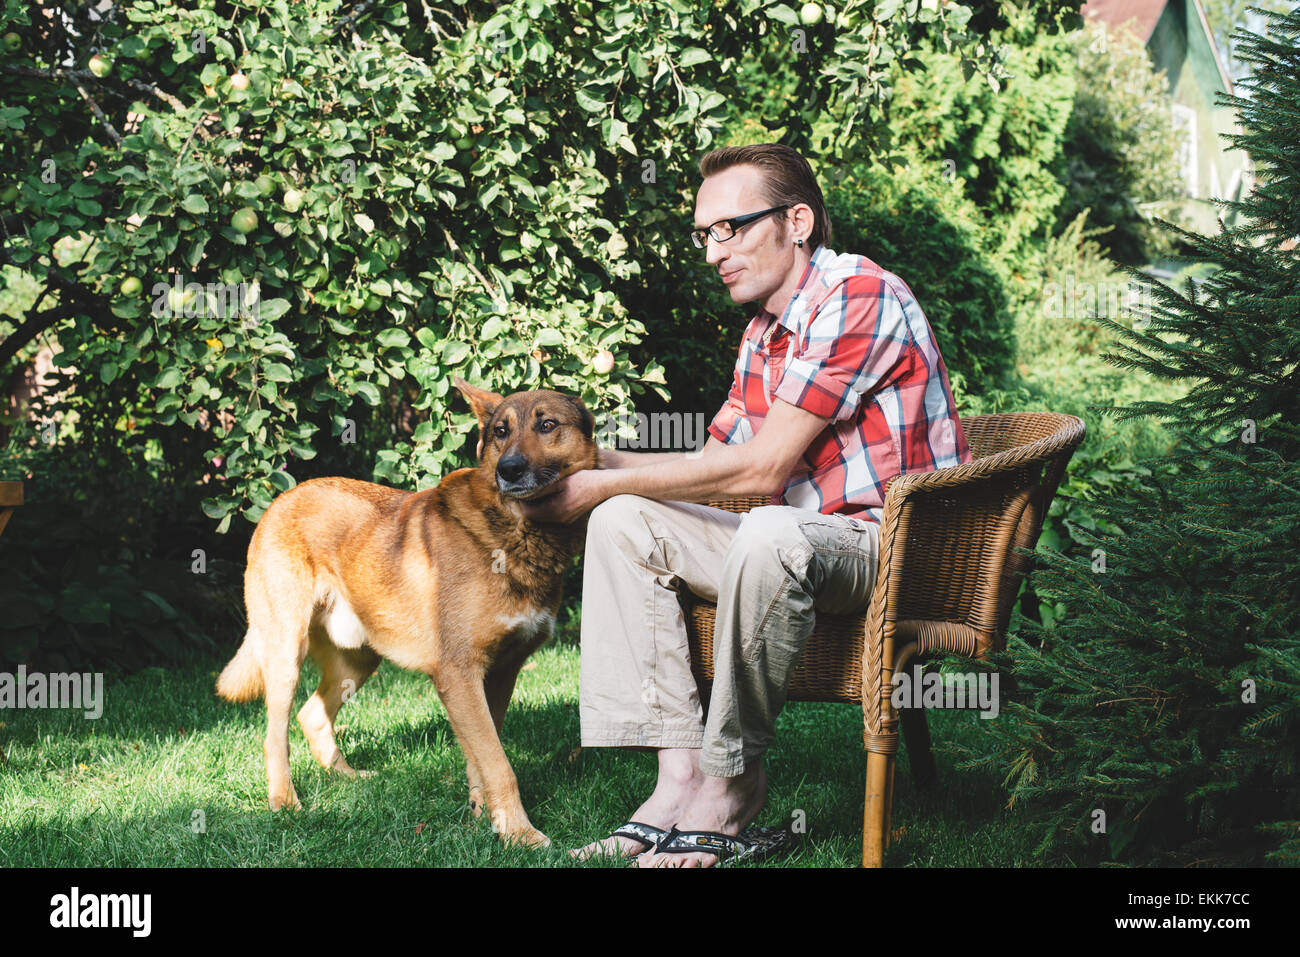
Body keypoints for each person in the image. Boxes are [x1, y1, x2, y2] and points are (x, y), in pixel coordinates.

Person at [521, 143, 972, 867]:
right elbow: (713, 468)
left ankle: (733, 785)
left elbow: (764, 465)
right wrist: (583, 467)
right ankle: (680, 779)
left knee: (761, 531)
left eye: (731, 227)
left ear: (798, 221)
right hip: (797, 541)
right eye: (706, 234)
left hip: (892, 549)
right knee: (623, 519)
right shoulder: (763, 332)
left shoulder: (860, 294)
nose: (713, 252)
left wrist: (601, 479)